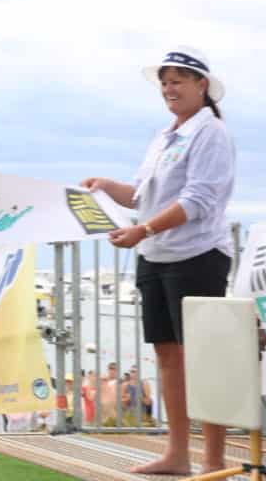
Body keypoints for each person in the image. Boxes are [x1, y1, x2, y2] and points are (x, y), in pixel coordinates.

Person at [81, 46, 235, 475]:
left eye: (178, 80)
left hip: (197, 255)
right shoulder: (165, 135)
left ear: (202, 86)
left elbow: (199, 200)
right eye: (165, 82)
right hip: (155, 254)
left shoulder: (211, 133)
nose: (169, 88)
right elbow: (143, 196)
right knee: (167, 356)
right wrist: (108, 186)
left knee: (204, 357)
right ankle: (179, 453)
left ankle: (215, 460)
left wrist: (143, 229)